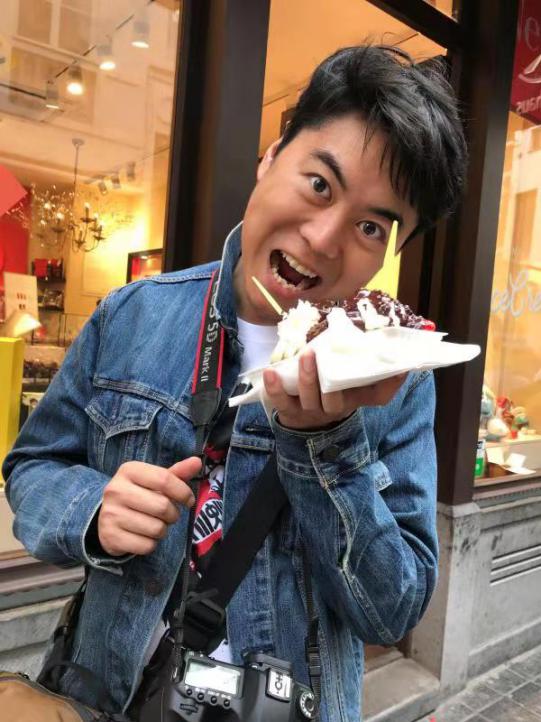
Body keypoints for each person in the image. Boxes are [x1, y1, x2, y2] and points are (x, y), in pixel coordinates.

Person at [3, 44, 467, 722]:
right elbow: (32, 466)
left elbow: (393, 609)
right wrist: (93, 510)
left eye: (371, 226)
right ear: (271, 157)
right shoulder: (133, 315)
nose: (324, 238)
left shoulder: (395, 383)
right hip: (104, 698)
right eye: (320, 184)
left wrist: (328, 444)